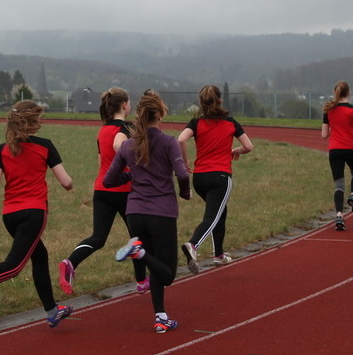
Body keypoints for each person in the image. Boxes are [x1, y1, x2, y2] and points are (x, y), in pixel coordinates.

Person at [0, 100, 76, 327]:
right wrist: (68, 182)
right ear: (34, 121)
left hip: (10, 215)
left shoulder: (2, 149)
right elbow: (66, 182)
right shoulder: (45, 146)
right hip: (34, 213)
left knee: (40, 256)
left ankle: (52, 310)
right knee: (14, 266)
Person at [103, 90, 191, 333]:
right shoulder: (168, 142)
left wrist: (131, 175)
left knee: (155, 266)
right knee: (168, 274)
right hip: (161, 212)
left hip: (135, 213)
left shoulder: (128, 145)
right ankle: (138, 252)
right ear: (160, 114)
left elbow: (109, 180)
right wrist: (185, 193)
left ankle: (160, 317)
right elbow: (182, 174)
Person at [58, 88, 149, 296]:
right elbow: (119, 145)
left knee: (98, 238)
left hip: (102, 189)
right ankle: (142, 281)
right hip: (124, 190)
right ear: (124, 105)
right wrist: (134, 165)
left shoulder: (103, 130)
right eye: (129, 103)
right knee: (137, 237)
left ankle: (70, 262)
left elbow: (102, 164)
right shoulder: (126, 127)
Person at [177, 85, 254, 270]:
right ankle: (193, 245)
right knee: (212, 216)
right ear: (220, 100)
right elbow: (249, 146)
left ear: (201, 102)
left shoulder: (196, 122)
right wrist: (236, 150)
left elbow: (181, 139)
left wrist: (185, 162)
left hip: (199, 178)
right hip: (220, 177)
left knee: (220, 211)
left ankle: (219, 255)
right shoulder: (231, 122)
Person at [320, 80, 353, 231]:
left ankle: (339, 215)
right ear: (349, 93)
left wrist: (335, 128)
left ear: (335, 92)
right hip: (351, 148)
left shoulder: (328, 110)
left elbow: (324, 135)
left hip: (335, 150)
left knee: (339, 185)